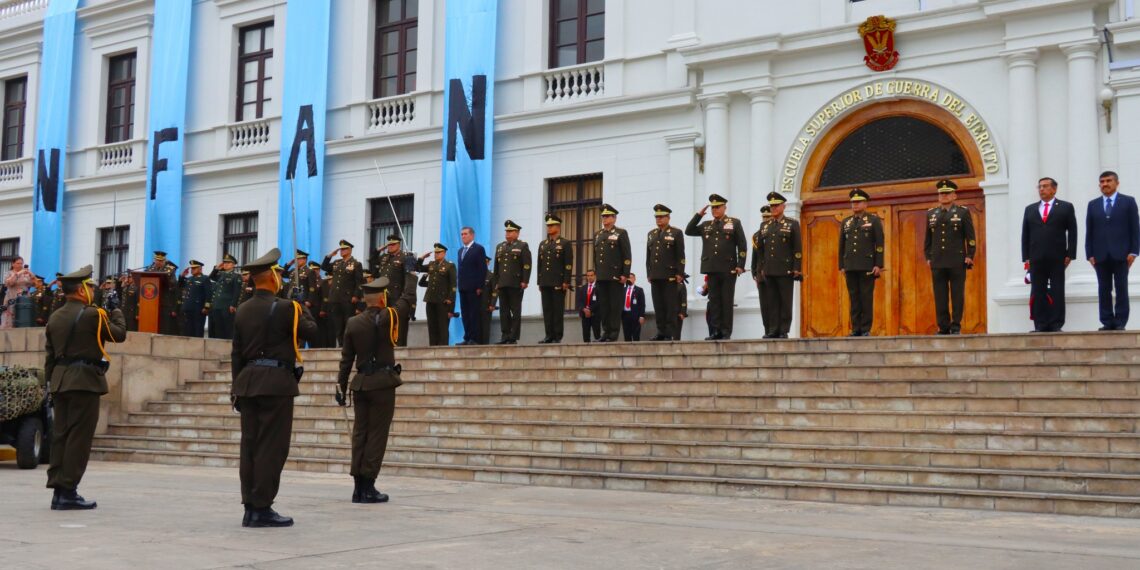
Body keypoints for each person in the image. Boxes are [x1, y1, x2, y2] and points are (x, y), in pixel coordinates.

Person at [231, 248, 320, 527]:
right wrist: (301, 305)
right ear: (271, 278)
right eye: (278, 274)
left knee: (250, 446)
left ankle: (250, 506)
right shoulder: (286, 308)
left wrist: (235, 388)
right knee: (272, 446)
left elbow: (236, 354)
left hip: (247, 382)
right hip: (275, 384)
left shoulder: (243, 309)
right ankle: (262, 506)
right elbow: (312, 331)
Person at [43, 265, 127, 510]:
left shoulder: (55, 316)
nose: (93, 291)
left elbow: (50, 356)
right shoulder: (92, 314)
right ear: (81, 290)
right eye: (90, 287)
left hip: (60, 381)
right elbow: (118, 335)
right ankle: (68, 491)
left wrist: (50, 384)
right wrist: (116, 310)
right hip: (84, 381)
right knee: (79, 438)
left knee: (61, 436)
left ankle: (58, 489)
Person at [335, 276, 415, 503]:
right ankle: (368, 486)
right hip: (382, 383)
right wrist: (409, 275)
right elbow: (407, 299)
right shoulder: (388, 317)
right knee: (377, 435)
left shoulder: (353, 322)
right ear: (382, 299)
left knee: (360, 434)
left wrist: (340, 387)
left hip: (360, 384)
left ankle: (357, 487)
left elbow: (346, 360)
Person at [685, 194, 748, 340]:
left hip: (728, 268)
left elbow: (742, 245)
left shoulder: (734, 223)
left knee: (726, 301)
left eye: (717, 207)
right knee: (714, 302)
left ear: (725, 207)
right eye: (713, 207)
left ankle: (725, 332)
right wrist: (698, 215)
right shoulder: (706, 225)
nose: (715, 210)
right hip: (711, 268)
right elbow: (689, 230)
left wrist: (740, 265)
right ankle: (715, 331)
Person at [1021, 177, 1078, 332]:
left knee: (1057, 290)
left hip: (1058, 257)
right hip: (1036, 257)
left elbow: (1072, 232)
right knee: (1038, 291)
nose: (1041, 189)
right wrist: (1026, 257)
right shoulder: (1030, 209)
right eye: (1039, 186)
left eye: (1045, 186)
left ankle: (1056, 323)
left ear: (1054, 189)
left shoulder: (1065, 207)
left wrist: (1070, 254)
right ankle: (1040, 324)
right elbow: (1025, 234)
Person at [1085, 171, 1139, 331]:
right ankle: (1107, 321)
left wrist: (1134, 251)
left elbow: (1135, 228)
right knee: (1103, 288)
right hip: (1100, 255)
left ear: (1117, 183)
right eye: (1102, 181)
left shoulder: (1128, 202)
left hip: (1122, 253)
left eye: (1108, 181)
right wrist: (1089, 253)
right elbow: (1090, 230)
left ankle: (1120, 321)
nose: (1105, 184)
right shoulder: (1093, 204)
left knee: (1121, 288)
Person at [924, 180, 976, 335]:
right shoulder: (931, 213)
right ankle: (943, 326)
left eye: (947, 193)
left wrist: (970, 255)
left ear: (954, 195)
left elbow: (970, 236)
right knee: (940, 295)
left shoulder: (962, 212)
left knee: (957, 294)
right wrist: (928, 256)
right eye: (941, 193)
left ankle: (955, 325)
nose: (944, 196)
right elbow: (928, 239)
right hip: (938, 261)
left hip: (956, 260)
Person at [754, 192, 802, 338]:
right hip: (769, 270)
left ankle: (784, 330)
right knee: (772, 301)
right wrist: (761, 268)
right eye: (772, 206)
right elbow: (760, 250)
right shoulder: (765, 225)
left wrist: (796, 268)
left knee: (785, 301)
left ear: (783, 206)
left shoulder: (792, 224)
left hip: (785, 269)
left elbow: (797, 248)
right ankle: (773, 329)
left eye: (776, 205)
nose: (774, 208)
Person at [839, 188, 884, 337]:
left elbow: (879, 244)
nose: (855, 205)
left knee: (866, 297)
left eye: (858, 202)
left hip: (867, 265)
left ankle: (865, 328)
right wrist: (842, 265)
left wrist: (879, 264)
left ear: (865, 204)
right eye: (853, 202)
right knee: (854, 298)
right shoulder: (846, 222)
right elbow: (842, 245)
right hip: (850, 265)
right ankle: (855, 328)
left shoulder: (873, 220)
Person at [645, 204, 685, 341]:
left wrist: (680, 273)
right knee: (659, 306)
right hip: (655, 275)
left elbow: (680, 255)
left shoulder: (676, 233)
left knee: (670, 306)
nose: (659, 219)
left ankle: (670, 333)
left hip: (669, 275)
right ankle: (661, 332)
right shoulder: (651, 234)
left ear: (668, 217)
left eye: (661, 217)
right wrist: (649, 273)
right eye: (657, 217)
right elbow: (648, 256)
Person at [593, 204, 632, 342]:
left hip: (615, 276)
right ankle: (606, 332)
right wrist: (596, 272)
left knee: (614, 306)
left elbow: (626, 255)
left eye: (607, 216)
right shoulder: (598, 234)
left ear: (614, 218)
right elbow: (595, 256)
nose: (604, 218)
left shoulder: (621, 233)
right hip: (602, 276)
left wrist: (625, 274)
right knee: (604, 306)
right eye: (603, 216)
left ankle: (613, 333)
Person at [370, 235, 416, 346]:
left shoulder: (405, 257)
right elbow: (372, 261)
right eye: (389, 244)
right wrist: (378, 250)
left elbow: (409, 278)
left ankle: (399, 345)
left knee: (398, 323)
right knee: (384, 322)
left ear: (399, 245)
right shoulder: (384, 258)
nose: (390, 246)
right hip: (383, 297)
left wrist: (405, 298)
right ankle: (385, 345)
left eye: (393, 244)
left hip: (397, 296)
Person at [493, 220, 532, 344]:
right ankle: (505, 335)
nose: (507, 234)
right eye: (506, 231)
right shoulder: (500, 246)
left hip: (515, 283)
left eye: (510, 231)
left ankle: (513, 336)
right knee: (503, 311)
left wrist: (525, 280)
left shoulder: (522, 246)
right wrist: (496, 282)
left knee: (515, 311)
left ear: (517, 233)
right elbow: (496, 267)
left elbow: (526, 264)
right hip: (502, 283)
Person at [537, 214, 574, 344]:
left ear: (558, 227)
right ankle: (548, 335)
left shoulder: (565, 243)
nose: (549, 227)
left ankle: (557, 336)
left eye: (551, 225)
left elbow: (568, 264)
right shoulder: (543, 244)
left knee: (557, 310)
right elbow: (539, 265)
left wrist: (566, 281)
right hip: (545, 282)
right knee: (547, 310)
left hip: (558, 282)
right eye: (548, 225)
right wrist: (539, 282)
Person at [321, 240, 365, 347]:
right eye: (341, 249)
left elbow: (359, 282)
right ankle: (341, 345)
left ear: (350, 250)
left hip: (348, 299)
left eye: (344, 249)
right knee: (338, 324)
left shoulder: (356, 264)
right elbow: (324, 267)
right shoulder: (337, 263)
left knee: (347, 323)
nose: (342, 251)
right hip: (335, 298)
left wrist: (356, 295)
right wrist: (330, 256)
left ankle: (348, 345)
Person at [416, 243, 457, 346]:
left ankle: (443, 349)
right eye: (435, 252)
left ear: (444, 253)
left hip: (443, 300)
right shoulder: (431, 264)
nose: (436, 254)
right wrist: (421, 258)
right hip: (430, 299)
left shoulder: (450, 266)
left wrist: (450, 303)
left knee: (442, 327)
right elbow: (418, 268)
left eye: (439, 252)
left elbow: (453, 286)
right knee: (432, 326)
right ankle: (432, 347)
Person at [456, 226, 488, 345]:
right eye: (462, 234)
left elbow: (482, 269)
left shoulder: (478, 249)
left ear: (472, 235)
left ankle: (475, 338)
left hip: (474, 288)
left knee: (474, 313)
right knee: (465, 314)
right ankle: (467, 336)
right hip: (463, 287)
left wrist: (480, 286)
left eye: (465, 234)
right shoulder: (460, 251)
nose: (463, 236)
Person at [751, 206, 774, 336]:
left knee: (773, 303)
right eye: (764, 217)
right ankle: (767, 329)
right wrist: (755, 274)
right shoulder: (756, 235)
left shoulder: (775, 231)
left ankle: (775, 330)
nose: (765, 219)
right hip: (761, 276)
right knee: (764, 305)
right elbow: (755, 257)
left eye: (768, 216)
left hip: (774, 273)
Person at [207, 254, 242, 339]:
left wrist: (233, 305)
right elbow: (211, 277)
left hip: (227, 306)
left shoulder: (236, 276)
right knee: (218, 328)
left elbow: (236, 292)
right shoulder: (220, 274)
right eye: (225, 262)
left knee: (228, 328)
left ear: (233, 265)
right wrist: (216, 269)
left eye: (228, 263)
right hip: (217, 305)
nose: (225, 264)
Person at [179, 260, 212, 338]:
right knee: (188, 330)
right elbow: (180, 286)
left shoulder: (204, 279)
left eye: (194, 268)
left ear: (200, 269)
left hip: (198, 309)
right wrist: (182, 276)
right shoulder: (189, 279)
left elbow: (208, 294)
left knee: (198, 330)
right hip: (188, 308)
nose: (192, 270)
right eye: (191, 268)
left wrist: (206, 307)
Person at [2, 256, 33, 329]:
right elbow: (9, 283)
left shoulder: (25, 273)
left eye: (21, 263)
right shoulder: (9, 273)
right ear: (13, 264)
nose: (20, 265)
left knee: (24, 315)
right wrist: (18, 273)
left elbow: (32, 284)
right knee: (12, 315)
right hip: (12, 296)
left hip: (24, 297)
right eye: (18, 263)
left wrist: (31, 274)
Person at [576, 269, 601, 342]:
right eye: (588, 276)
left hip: (595, 314)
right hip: (584, 315)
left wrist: (590, 310)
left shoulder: (599, 287)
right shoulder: (583, 288)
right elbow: (579, 301)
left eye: (591, 275)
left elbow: (599, 301)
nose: (589, 277)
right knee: (586, 335)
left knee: (597, 335)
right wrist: (584, 309)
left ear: (595, 276)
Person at [621, 273, 646, 341]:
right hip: (625, 315)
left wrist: (641, 316)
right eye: (628, 278)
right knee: (627, 335)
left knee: (636, 335)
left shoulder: (639, 290)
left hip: (635, 315)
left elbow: (642, 304)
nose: (629, 279)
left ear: (634, 279)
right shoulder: (623, 290)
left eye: (631, 277)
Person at [480, 256, 496, 344]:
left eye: (485, 263)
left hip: (486, 306)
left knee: (485, 328)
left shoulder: (491, 275)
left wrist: (492, 304)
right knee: (476, 328)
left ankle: (484, 346)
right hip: (476, 305)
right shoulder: (475, 275)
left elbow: (495, 291)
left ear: (488, 263)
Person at [675, 274, 689, 340]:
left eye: (681, 276)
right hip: (670, 312)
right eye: (678, 275)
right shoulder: (670, 286)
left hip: (678, 313)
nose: (679, 277)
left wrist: (683, 312)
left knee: (677, 332)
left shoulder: (682, 286)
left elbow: (684, 301)